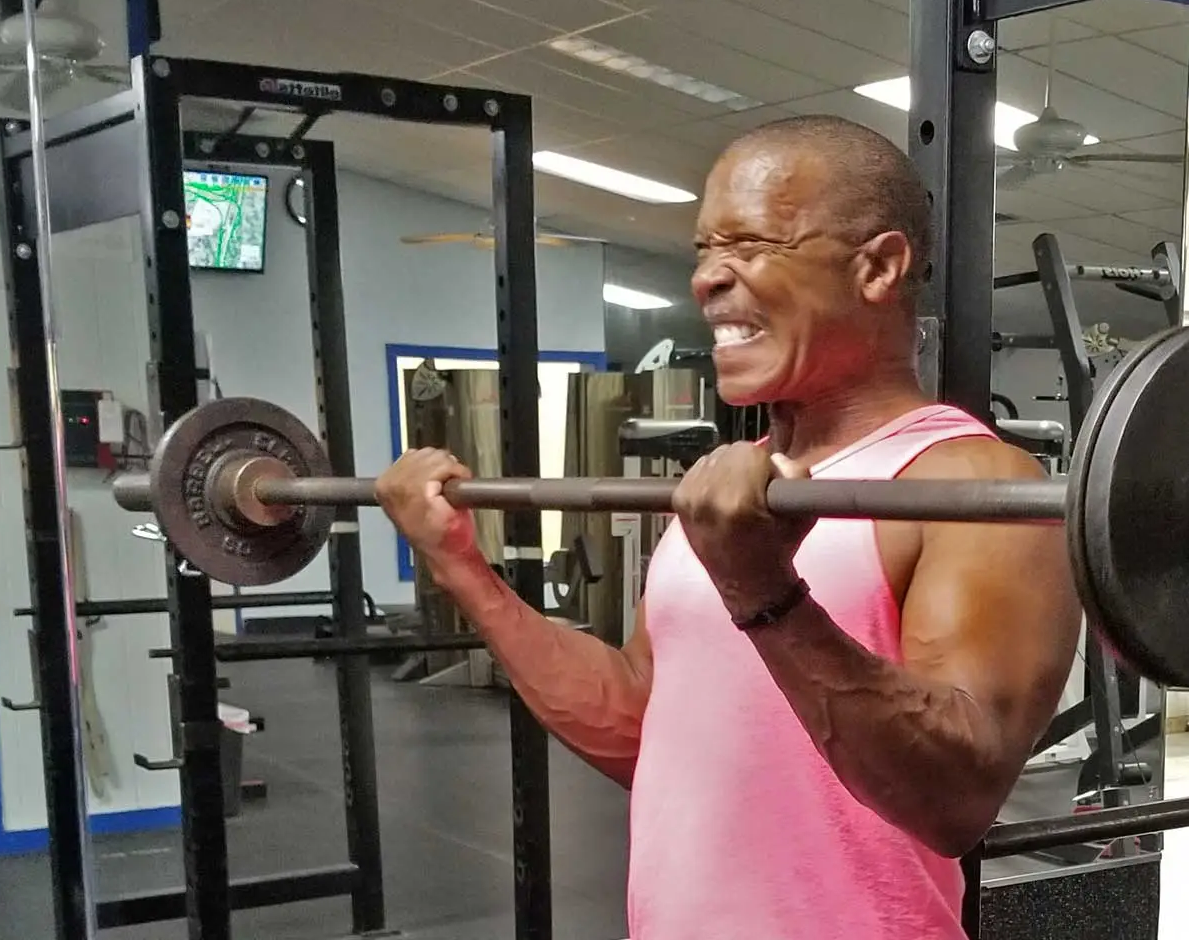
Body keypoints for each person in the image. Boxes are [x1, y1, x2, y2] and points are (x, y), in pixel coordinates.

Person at [377, 116, 1080, 938]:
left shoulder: (970, 484)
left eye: (750, 246)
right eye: (704, 250)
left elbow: (956, 800)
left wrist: (764, 588)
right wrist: (462, 567)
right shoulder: (725, 495)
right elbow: (643, 726)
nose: (709, 278)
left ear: (880, 267)